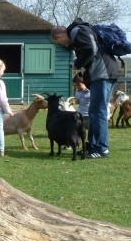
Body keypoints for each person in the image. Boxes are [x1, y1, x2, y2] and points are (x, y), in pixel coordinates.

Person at [51, 18, 119, 159]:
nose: (63, 45)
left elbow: (90, 49)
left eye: (60, 43)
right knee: (95, 111)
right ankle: (92, 146)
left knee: (98, 111)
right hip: (104, 73)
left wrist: (77, 64)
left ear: (59, 36)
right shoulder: (80, 31)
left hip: (102, 73)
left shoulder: (76, 31)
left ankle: (101, 149)